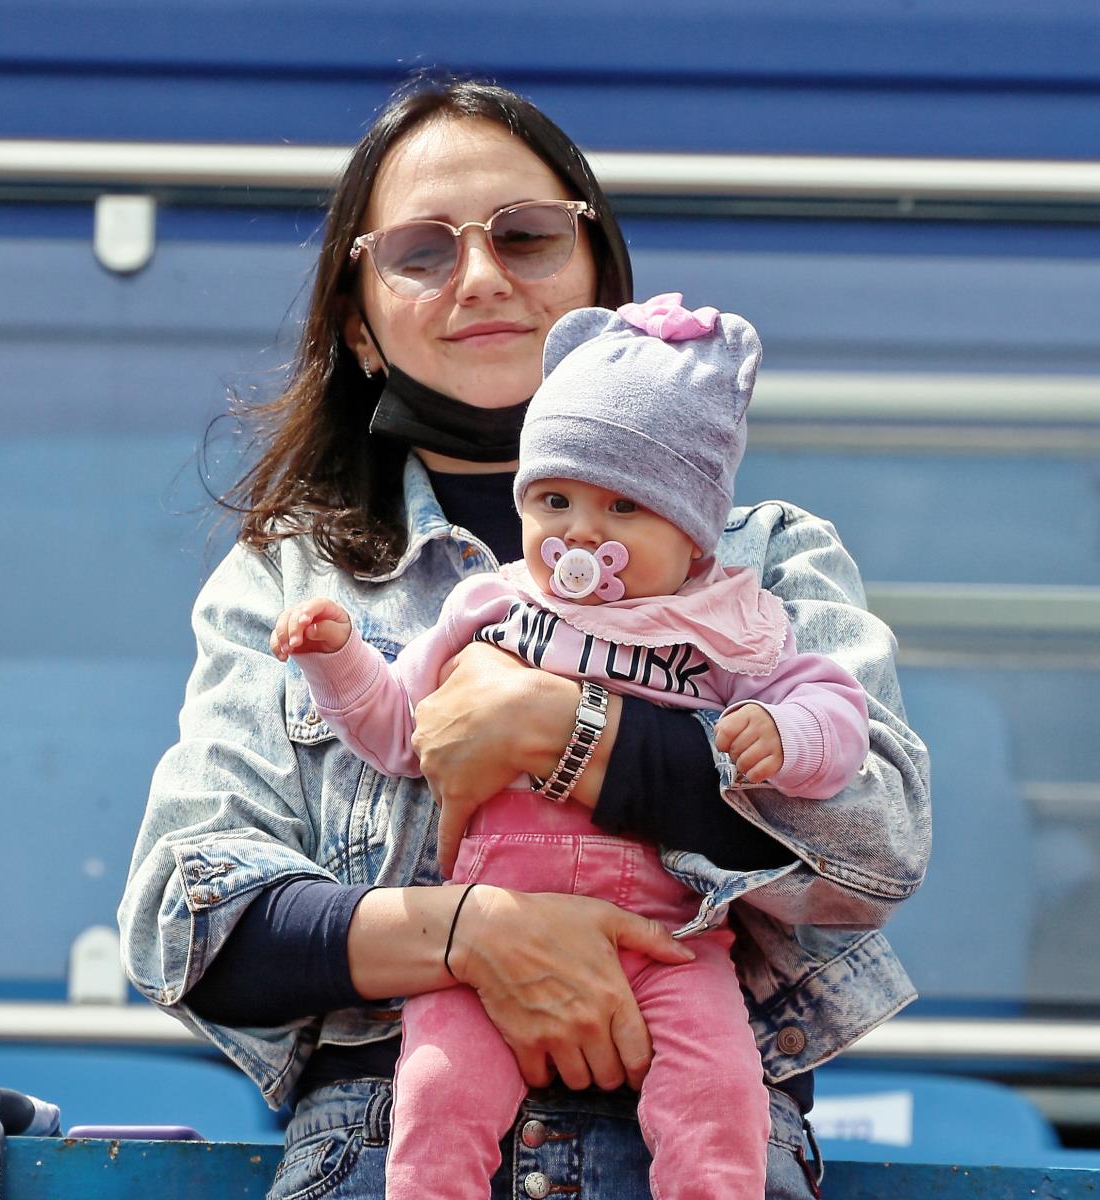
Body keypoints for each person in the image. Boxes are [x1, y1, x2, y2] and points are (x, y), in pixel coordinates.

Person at [118, 78, 930, 1200]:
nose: (482, 277)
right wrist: (478, 935)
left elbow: (878, 843)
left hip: (700, 1142)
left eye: (527, 235)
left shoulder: (767, 561)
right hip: (386, 1139)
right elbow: (187, 920)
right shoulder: (292, 578)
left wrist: (567, 728)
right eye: (421, 251)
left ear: (602, 279)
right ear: (358, 325)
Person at [270, 296, 873, 1200]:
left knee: (718, 1096)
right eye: (554, 500)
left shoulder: (730, 623)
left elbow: (837, 711)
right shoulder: (491, 608)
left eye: (623, 506)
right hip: (489, 926)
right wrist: (337, 658)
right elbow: (399, 731)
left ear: (693, 536)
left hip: (672, 939)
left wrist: (787, 735)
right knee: (435, 1092)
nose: (581, 533)